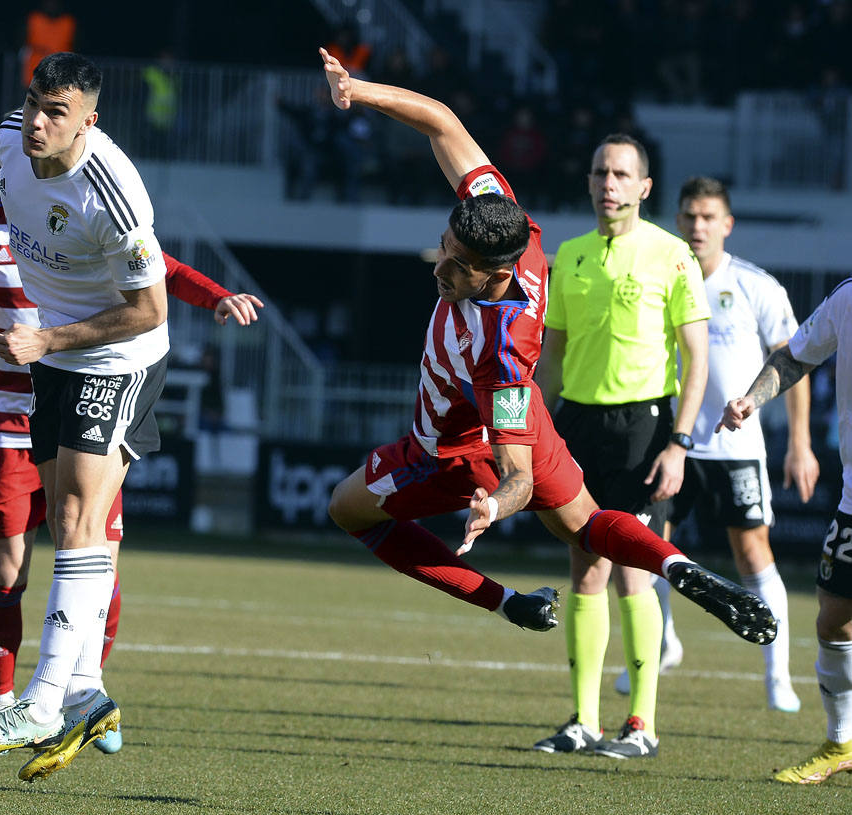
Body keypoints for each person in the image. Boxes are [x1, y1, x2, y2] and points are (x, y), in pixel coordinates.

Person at [317, 45, 776, 748]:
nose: (440, 266)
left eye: (457, 267)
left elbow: (518, 474)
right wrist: (361, 91)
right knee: (590, 525)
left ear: (496, 275)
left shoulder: (498, 353)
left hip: (454, 446)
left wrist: (489, 505)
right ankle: (677, 566)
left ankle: (504, 601)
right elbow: (442, 122)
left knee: (346, 509)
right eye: (443, 247)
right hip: (536, 414)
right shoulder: (504, 221)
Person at [0, 199, 262, 754]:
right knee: (8, 573)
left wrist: (217, 296)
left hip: (82, 413)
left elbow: (162, 269)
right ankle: (2, 705)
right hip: (11, 426)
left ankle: (87, 692)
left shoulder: (85, 218)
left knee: (99, 557)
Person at [0, 51, 177, 782]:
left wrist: (45, 336)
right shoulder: (9, 136)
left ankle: (41, 701)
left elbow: (149, 308)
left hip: (117, 358)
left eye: (57, 112)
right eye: (35, 104)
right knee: (67, 526)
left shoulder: (113, 193)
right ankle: (83, 692)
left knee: (77, 516)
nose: (38, 122)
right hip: (53, 358)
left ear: (89, 120)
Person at [532, 133, 710, 759]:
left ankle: (642, 725)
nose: (609, 183)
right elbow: (551, 360)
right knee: (585, 569)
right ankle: (582, 721)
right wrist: (537, 431)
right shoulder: (570, 258)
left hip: (643, 432)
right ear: (588, 182)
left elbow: (698, 359)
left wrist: (680, 444)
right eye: (600, 172)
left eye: (621, 174)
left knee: (633, 575)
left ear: (644, 188)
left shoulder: (672, 255)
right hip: (576, 429)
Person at [613, 176, 820, 711]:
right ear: (677, 221)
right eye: (689, 216)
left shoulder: (757, 286)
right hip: (670, 444)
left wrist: (800, 444)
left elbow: (795, 365)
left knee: (752, 554)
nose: (698, 226)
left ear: (727, 225)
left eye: (709, 217)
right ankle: (661, 646)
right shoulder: (660, 278)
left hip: (736, 449)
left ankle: (778, 676)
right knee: (644, 551)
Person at [718, 280, 852, 784]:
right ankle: (840, 743)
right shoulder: (846, 298)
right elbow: (793, 356)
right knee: (834, 618)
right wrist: (754, 398)